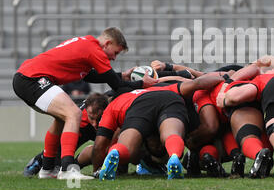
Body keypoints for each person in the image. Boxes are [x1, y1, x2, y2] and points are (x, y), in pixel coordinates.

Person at [12, 27, 157, 180]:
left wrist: (121, 75)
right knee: (73, 113)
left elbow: (89, 76)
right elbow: (117, 86)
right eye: (115, 52)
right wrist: (142, 84)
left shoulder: (87, 44)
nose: (114, 58)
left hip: (27, 77)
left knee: (61, 119)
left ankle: (47, 169)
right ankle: (67, 169)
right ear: (107, 43)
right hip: (33, 79)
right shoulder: (94, 51)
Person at [92, 73, 224, 180]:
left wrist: (96, 169)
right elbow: (197, 83)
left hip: (137, 106)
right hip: (168, 97)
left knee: (127, 148)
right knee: (172, 134)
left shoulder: (113, 106)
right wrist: (224, 79)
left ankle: (118, 152)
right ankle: (173, 155)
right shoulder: (161, 87)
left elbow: (99, 145)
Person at [22, 92, 109, 177]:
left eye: (98, 118)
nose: (94, 123)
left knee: (106, 148)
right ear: (87, 111)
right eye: (92, 118)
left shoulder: (111, 108)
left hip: (103, 125)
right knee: (62, 152)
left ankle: (75, 166)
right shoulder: (80, 118)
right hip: (84, 128)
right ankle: (39, 160)